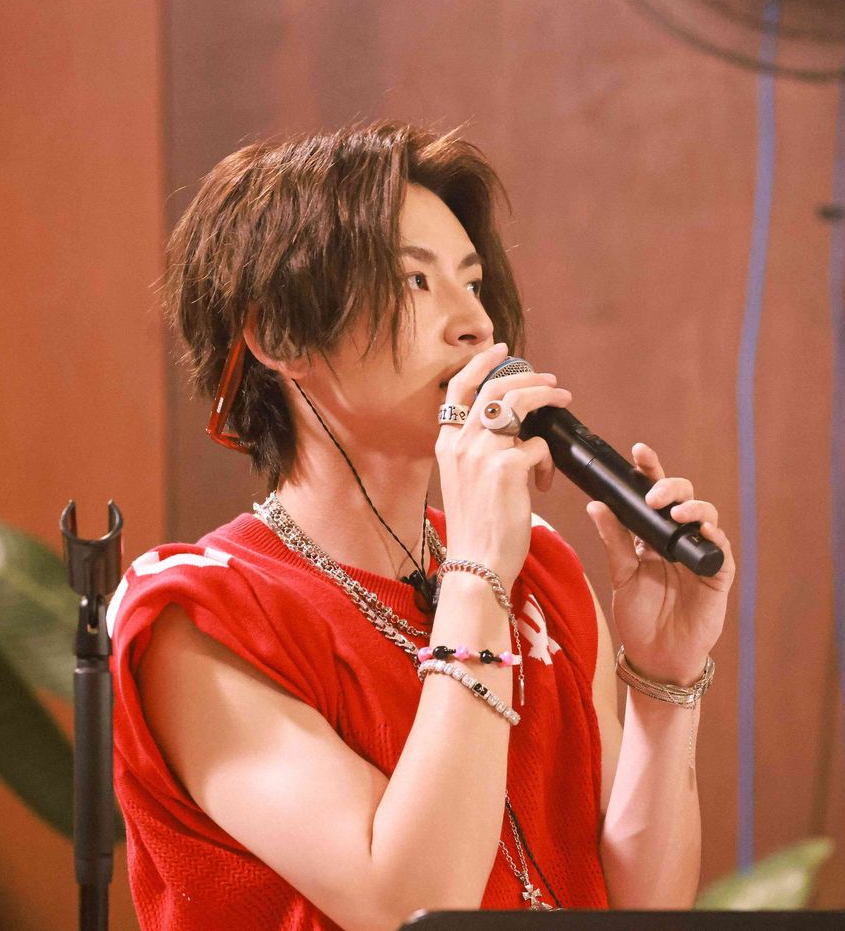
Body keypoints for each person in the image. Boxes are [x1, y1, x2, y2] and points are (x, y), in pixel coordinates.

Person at [107, 120, 735, 931]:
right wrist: (476, 576)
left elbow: (644, 904)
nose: (475, 324)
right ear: (279, 335)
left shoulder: (540, 571)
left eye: (472, 281)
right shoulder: (201, 617)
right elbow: (408, 905)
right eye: (414, 281)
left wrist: (662, 678)